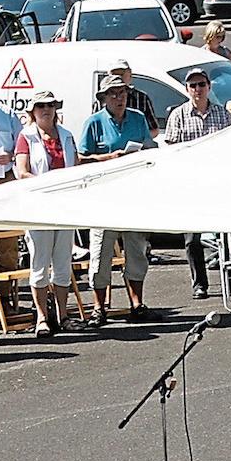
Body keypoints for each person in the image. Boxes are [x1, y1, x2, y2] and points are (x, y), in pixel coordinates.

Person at [78, 76, 155, 326]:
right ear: (103, 99)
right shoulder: (94, 123)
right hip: (104, 197)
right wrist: (110, 158)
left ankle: (137, 304)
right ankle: (99, 308)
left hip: (134, 195)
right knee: (101, 253)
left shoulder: (138, 118)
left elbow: (151, 149)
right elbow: (81, 159)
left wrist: (141, 155)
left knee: (136, 251)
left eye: (122, 93)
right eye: (113, 94)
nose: (119, 98)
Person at [13, 90, 77, 337]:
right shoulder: (26, 137)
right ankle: (41, 317)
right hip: (38, 207)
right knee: (39, 261)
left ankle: (62, 314)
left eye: (50, 105)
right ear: (33, 112)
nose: (46, 110)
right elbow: (21, 171)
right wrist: (47, 183)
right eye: (40, 106)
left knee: (62, 261)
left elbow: (75, 166)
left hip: (64, 206)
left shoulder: (67, 135)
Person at [164, 68, 231, 300]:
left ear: (209, 86)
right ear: (186, 89)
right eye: (193, 85)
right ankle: (199, 284)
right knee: (192, 239)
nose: (197, 89)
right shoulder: (178, 115)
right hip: (190, 184)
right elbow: (172, 151)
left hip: (218, 182)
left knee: (225, 234)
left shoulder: (222, 115)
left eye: (201, 84)